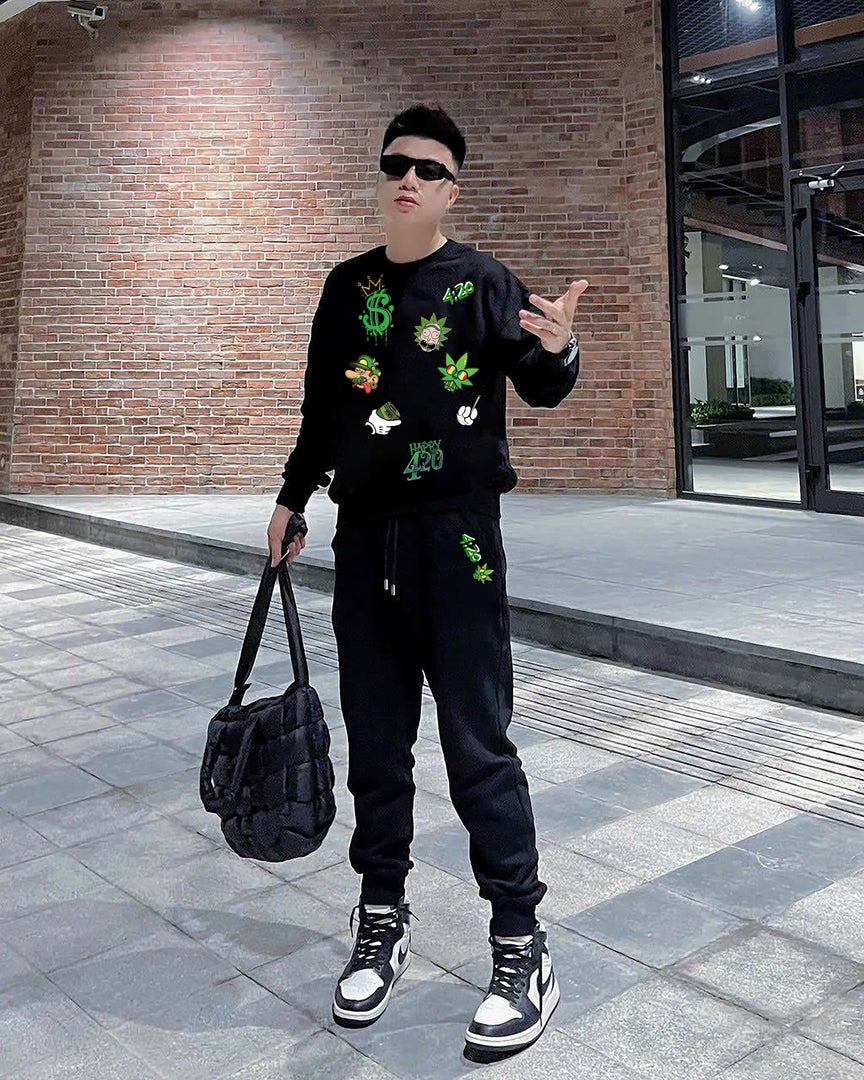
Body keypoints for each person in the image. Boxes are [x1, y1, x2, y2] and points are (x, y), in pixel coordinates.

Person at [266, 102, 586, 1057]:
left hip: (459, 542)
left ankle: (521, 943)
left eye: (430, 169)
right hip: (365, 542)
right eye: (395, 164)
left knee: (477, 746)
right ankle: (381, 918)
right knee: (377, 746)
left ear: (454, 190)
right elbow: (324, 409)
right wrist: (292, 497)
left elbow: (540, 382)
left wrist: (561, 348)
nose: (409, 178)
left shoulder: (483, 283)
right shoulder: (347, 287)